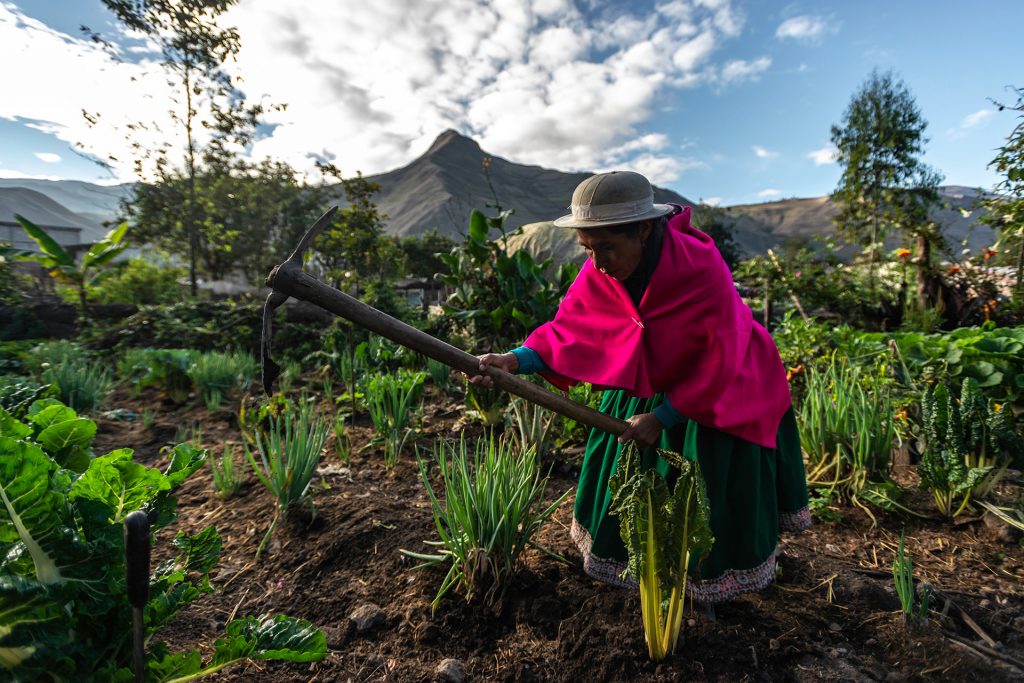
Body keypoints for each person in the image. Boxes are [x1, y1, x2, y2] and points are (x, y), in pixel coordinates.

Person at [468, 171, 810, 605]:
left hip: (726, 379)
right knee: (627, 479)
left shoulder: (700, 268)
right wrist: (515, 360)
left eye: (607, 247)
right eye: (588, 249)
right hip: (650, 373)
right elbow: (571, 328)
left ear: (645, 230)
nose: (597, 262)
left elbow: (721, 354)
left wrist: (665, 416)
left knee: (704, 488)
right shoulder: (601, 269)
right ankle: (637, 572)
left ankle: (705, 585)